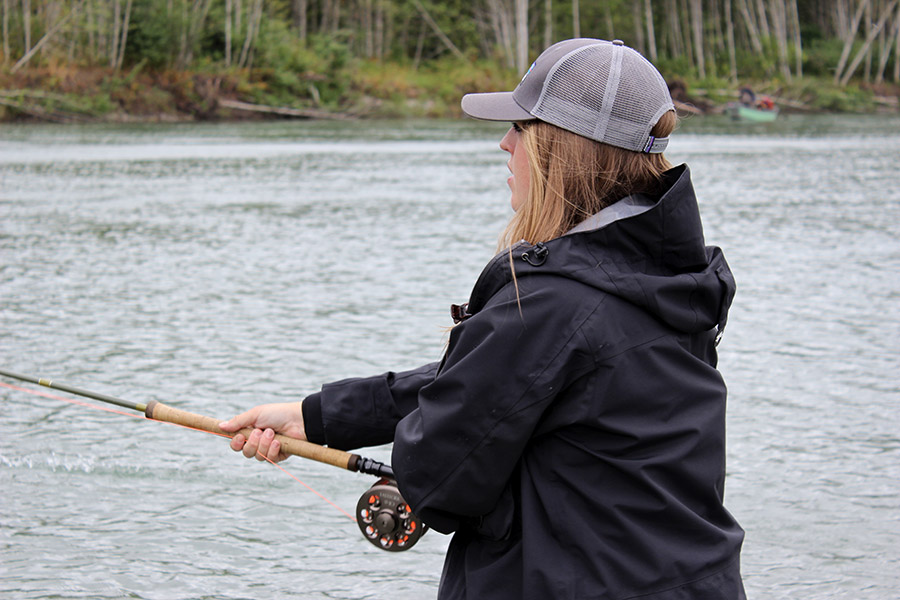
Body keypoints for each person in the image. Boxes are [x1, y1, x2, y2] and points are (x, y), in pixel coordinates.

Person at [220, 38, 746, 599]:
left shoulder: (554, 305)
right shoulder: (666, 278)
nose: (504, 143)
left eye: (520, 128)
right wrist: (316, 417)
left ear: (559, 150)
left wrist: (410, 459)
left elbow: (438, 479)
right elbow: (504, 379)